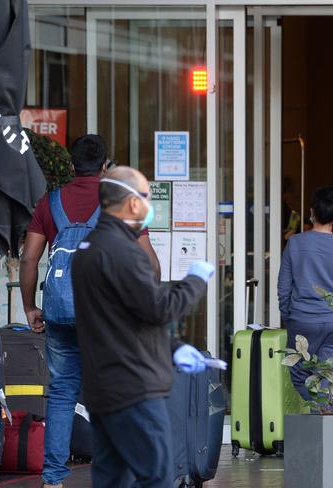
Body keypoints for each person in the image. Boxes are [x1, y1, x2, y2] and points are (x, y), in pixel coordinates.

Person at [19, 134, 158, 488]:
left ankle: (53, 479)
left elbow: (29, 259)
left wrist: (30, 306)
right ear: (106, 167)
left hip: (61, 311)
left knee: (63, 392)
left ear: (70, 165)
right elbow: (149, 265)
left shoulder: (49, 203)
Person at [71, 166, 223, 487]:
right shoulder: (124, 252)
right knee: (157, 478)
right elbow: (160, 309)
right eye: (147, 197)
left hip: (103, 391)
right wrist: (196, 279)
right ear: (133, 203)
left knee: (114, 480)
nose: (150, 205)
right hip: (135, 391)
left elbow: (124, 321)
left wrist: (176, 349)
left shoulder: (88, 251)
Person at [277, 185, 333, 401]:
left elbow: (284, 287)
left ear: (312, 212)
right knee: (325, 378)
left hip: (302, 319)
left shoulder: (295, 243)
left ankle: (320, 414)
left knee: (298, 374)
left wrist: (289, 315)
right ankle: (323, 416)